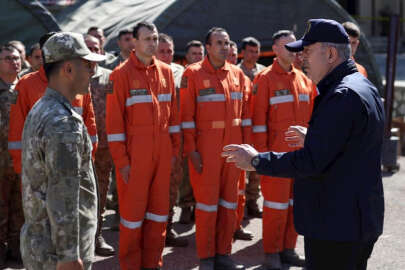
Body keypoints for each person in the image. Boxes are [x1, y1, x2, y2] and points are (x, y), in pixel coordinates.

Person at [222, 19, 385, 270]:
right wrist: (314, 138)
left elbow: (311, 161)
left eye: (307, 51)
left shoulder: (341, 95)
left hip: (336, 225)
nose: (302, 58)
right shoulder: (362, 86)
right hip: (353, 219)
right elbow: (353, 143)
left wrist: (256, 160)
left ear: (330, 54)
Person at [20, 31, 105, 270]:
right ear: (68, 69)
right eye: (87, 66)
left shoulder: (43, 108)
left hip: (43, 244)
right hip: (58, 253)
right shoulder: (63, 122)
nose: (93, 72)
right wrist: (68, 254)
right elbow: (63, 190)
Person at [106, 22, 180, 270]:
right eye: (147, 39)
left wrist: (173, 151)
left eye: (155, 38)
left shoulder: (166, 72)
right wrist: (122, 162)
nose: (152, 43)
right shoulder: (120, 75)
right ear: (134, 43)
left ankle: (153, 262)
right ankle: (131, 265)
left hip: (162, 153)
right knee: (132, 218)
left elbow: (173, 118)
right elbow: (115, 126)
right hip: (135, 158)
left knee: (159, 214)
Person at [180, 27, 251, 270]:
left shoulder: (237, 75)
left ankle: (224, 253)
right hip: (206, 151)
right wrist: (192, 150)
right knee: (208, 206)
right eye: (219, 43)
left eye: (227, 43)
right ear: (207, 47)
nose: (224, 47)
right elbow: (186, 117)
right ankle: (207, 257)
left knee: (229, 204)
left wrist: (246, 148)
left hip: (233, 150)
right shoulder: (193, 74)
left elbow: (245, 114)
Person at [251, 29, 317, 269]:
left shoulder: (304, 79)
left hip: (300, 157)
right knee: (275, 207)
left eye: (296, 47)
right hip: (276, 157)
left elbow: (312, 120)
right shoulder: (265, 79)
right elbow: (258, 122)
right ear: (276, 49)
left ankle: (288, 249)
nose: (294, 51)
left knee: (295, 206)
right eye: (288, 46)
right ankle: (271, 253)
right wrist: (260, 158)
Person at [8, 32, 98, 183]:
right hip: (41, 174)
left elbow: (90, 128)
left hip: (77, 170)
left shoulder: (81, 86)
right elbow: (17, 130)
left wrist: (87, 163)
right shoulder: (26, 85)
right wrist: (22, 168)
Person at [84, 34, 116, 256]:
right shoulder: (70, 75)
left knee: (100, 192)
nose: (92, 51)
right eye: (87, 47)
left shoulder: (110, 78)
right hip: (76, 148)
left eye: (96, 47)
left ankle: (96, 236)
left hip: (103, 148)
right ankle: (79, 240)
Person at [156, 32, 188, 247]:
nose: (167, 55)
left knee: (172, 185)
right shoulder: (147, 73)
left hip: (176, 139)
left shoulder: (182, 73)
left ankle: (167, 228)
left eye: (170, 51)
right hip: (152, 138)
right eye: (162, 51)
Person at [227, 40, 254, 241]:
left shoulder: (241, 78)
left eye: (234, 55)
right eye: (230, 54)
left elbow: (247, 112)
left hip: (239, 141)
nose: (232, 58)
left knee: (239, 189)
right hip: (220, 143)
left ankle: (236, 226)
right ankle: (223, 231)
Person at [238, 36, 265, 219]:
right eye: (250, 51)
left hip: (258, 125)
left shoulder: (263, 72)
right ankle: (238, 204)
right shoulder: (236, 72)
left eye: (256, 51)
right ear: (243, 52)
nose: (254, 55)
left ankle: (252, 201)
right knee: (240, 166)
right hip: (240, 126)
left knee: (257, 166)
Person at [0, 44, 22, 267]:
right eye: (7, 58)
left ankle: (16, 250)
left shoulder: (26, 86)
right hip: (1, 161)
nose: (13, 62)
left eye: (16, 58)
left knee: (20, 208)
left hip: (22, 160)